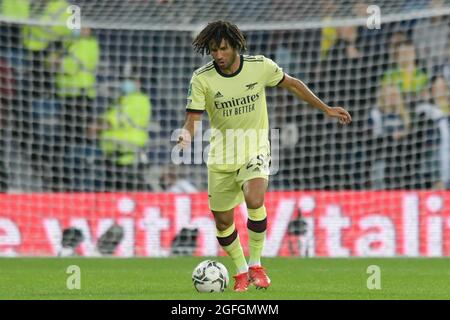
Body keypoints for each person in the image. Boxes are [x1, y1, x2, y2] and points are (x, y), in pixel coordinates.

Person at [176, 21, 351, 292]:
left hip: (255, 148)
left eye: (223, 48)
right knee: (223, 222)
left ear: (235, 45)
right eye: (213, 50)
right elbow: (193, 118)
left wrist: (325, 108)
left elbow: (293, 84)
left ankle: (257, 265)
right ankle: (242, 271)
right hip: (221, 156)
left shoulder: (260, 67)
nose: (218, 55)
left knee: (254, 198)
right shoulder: (202, 78)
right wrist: (186, 134)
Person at [89, 76, 151, 191]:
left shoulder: (138, 100)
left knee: (130, 191)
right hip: (113, 156)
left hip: (129, 156)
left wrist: (95, 127)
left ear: (138, 83)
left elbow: (114, 120)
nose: (126, 83)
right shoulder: (120, 100)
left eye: (130, 80)